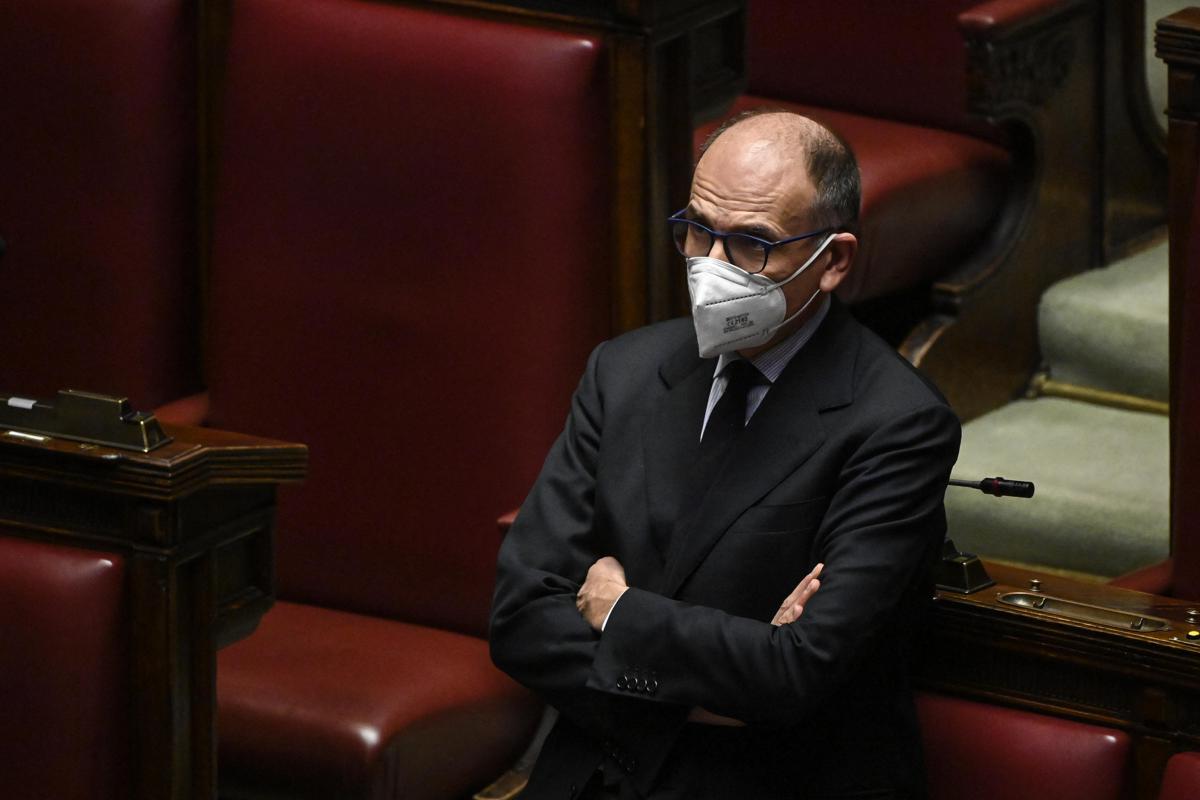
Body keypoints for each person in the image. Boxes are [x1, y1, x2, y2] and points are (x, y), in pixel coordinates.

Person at [489, 110, 961, 799]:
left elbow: (797, 673)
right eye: (698, 230)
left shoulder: (898, 423)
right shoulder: (623, 372)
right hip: (596, 774)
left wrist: (618, 611)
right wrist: (719, 684)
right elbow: (521, 618)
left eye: (751, 244)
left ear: (833, 261)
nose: (710, 265)